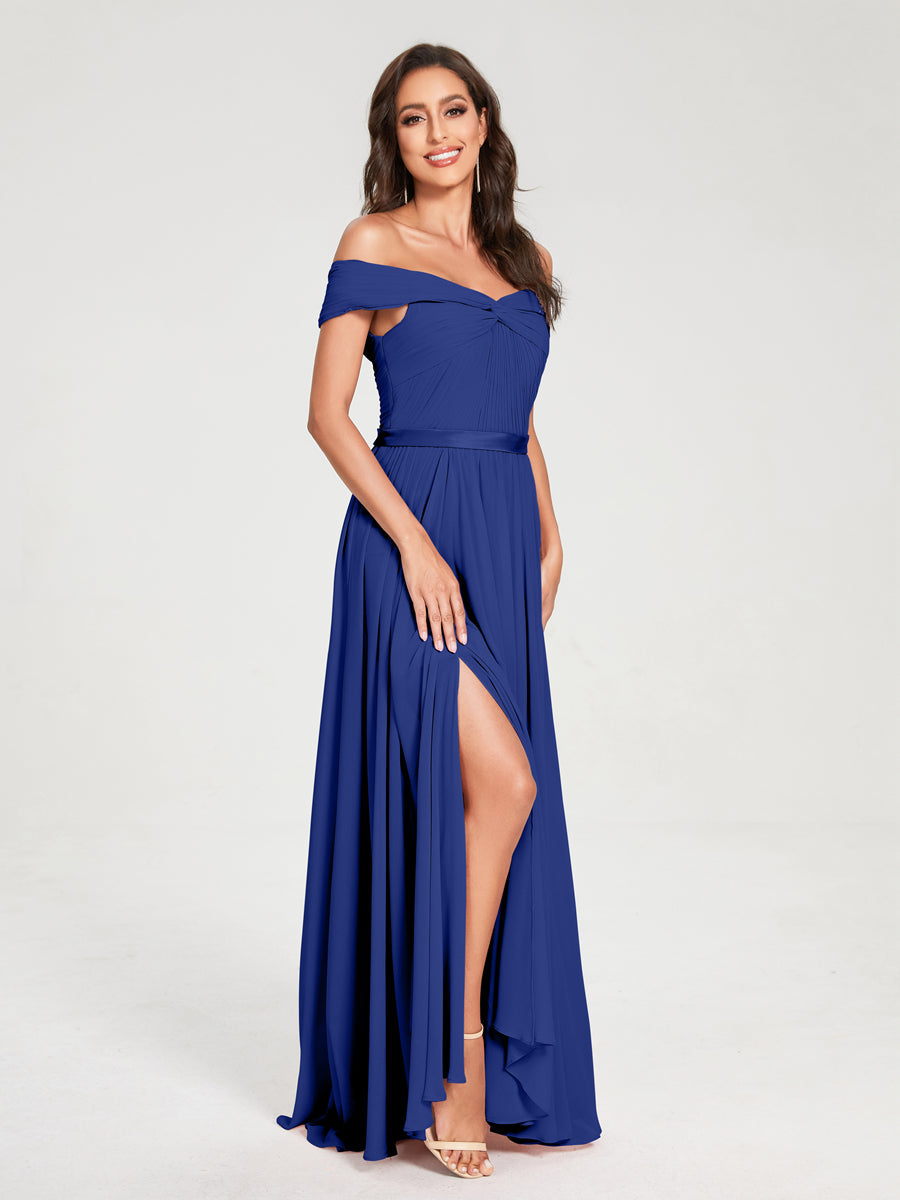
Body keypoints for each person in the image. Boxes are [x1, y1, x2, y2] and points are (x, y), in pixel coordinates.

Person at [276, 43, 602, 1179]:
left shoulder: (526, 257)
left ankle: (470, 1054)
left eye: (453, 110)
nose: (437, 133)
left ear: (483, 121)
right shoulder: (372, 244)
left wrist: (551, 534)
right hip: (407, 546)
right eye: (413, 119)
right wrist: (414, 545)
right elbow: (327, 415)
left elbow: (519, 416)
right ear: (393, 141)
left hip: (503, 544)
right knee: (503, 784)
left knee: (491, 793)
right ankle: (454, 1057)